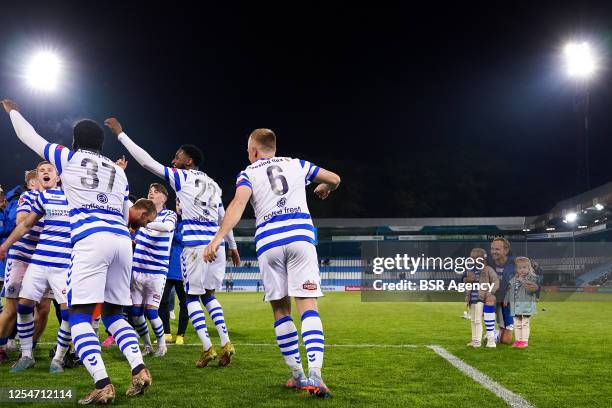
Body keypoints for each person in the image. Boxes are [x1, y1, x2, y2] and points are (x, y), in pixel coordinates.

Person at [2, 99, 156, 404]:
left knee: (79, 315)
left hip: (91, 239)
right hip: (122, 242)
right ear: (101, 144)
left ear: (75, 141)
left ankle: (102, 384)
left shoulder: (68, 158)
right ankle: (139, 370)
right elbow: (126, 210)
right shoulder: (118, 171)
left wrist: (13, 112)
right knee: (114, 314)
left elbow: (28, 136)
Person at [204, 128, 341, 397]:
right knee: (308, 305)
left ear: (254, 151)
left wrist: (219, 237)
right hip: (300, 238)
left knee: (281, 309)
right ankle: (317, 374)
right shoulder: (297, 164)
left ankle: (298, 375)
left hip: (269, 241)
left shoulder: (248, 173)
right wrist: (325, 187)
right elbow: (335, 178)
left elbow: (238, 203)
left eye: (248, 150)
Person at [106, 117, 240, 368]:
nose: (174, 157)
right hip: (217, 245)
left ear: (189, 161)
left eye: (178, 155)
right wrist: (231, 246)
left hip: (195, 247)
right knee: (209, 296)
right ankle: (226, 342)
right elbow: (224, 217)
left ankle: (208, 348)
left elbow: (147, 162)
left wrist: (121, 135)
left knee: (190, 298)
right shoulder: (214, 184)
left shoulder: (182, 177)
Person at [0, 161, 73, 373]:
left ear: (58, 177)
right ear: (37, 179)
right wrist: (5, 245)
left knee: (64, 310)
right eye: (41, 171)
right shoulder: (38, 197)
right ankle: (25, 355)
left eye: (50, 170)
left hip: (62, 263)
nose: (45, 172)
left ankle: (58, 359)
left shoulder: (72, 197)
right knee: (22, 306)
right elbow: (24, 223)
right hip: (35, 260)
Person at [0, 169, 45, 365]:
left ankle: (28, 351)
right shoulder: (28, 197)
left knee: (43, 308)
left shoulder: (57, 197)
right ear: (31, 183)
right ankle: (1, 347)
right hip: (21, 255)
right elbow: (21, 222)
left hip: (45, 257)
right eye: (38, 178)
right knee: (12, 307)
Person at [130, 183, 177, 357]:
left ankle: (162, 344)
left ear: (164, 198)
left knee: (151, 311)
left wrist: (144, 223)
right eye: (150, 191)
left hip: (157, 271)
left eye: (156, 192)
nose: (151, 193)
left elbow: (167, 228)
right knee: (135, 313)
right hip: (137, 268)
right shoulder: (141, 213)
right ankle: (147, 345)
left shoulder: (169, 214)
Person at [462, 248, 499, 348]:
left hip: (480, 298)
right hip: (471, 298)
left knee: (477, 320)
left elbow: (496, 282)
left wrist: (490, 292)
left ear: (483, 258)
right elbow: (464, 280)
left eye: (476, 258)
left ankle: (477, 341)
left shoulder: (488, 269)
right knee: (473, 320)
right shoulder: (470, 270)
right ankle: (474, 340)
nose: (473, 260)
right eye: (472, 258)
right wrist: (467, 280)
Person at [505, 257, 538, 348]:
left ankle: (524, 341)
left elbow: (531, 289)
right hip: (515, 305)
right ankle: (518, 340)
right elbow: (509, 290)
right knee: (517, 323)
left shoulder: (532, 277)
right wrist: (506, 299)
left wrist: (522, 281)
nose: (522, 270)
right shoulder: (513, 279)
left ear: (529, 268)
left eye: (524, 267)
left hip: (526, 304)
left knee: (525, 323)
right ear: (516, 269)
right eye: (520, 268)